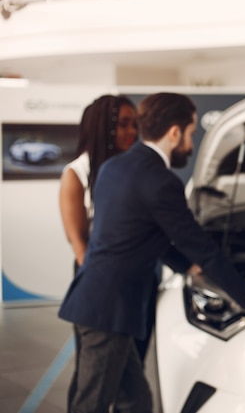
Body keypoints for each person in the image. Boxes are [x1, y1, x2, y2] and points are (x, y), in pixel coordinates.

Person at [58, 92, 245, 413]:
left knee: (135, 401)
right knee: (91, 404)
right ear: (174, 133)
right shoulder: (160, 181)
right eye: (190, 133)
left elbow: (141, 234)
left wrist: (187, 267)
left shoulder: (113, 169)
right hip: (109, 310)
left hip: (95, 301)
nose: (189, 143)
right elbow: (202, 248)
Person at [59, 94, 141, 413]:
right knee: (92, 381)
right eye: (122, 124)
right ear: (101, 127)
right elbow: (78, 243)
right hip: (99, 284)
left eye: (134, 124)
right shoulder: (76, 173)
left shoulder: (126, 169)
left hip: (127, 286)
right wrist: (105, 289)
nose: (131, 131)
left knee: (126, 385)